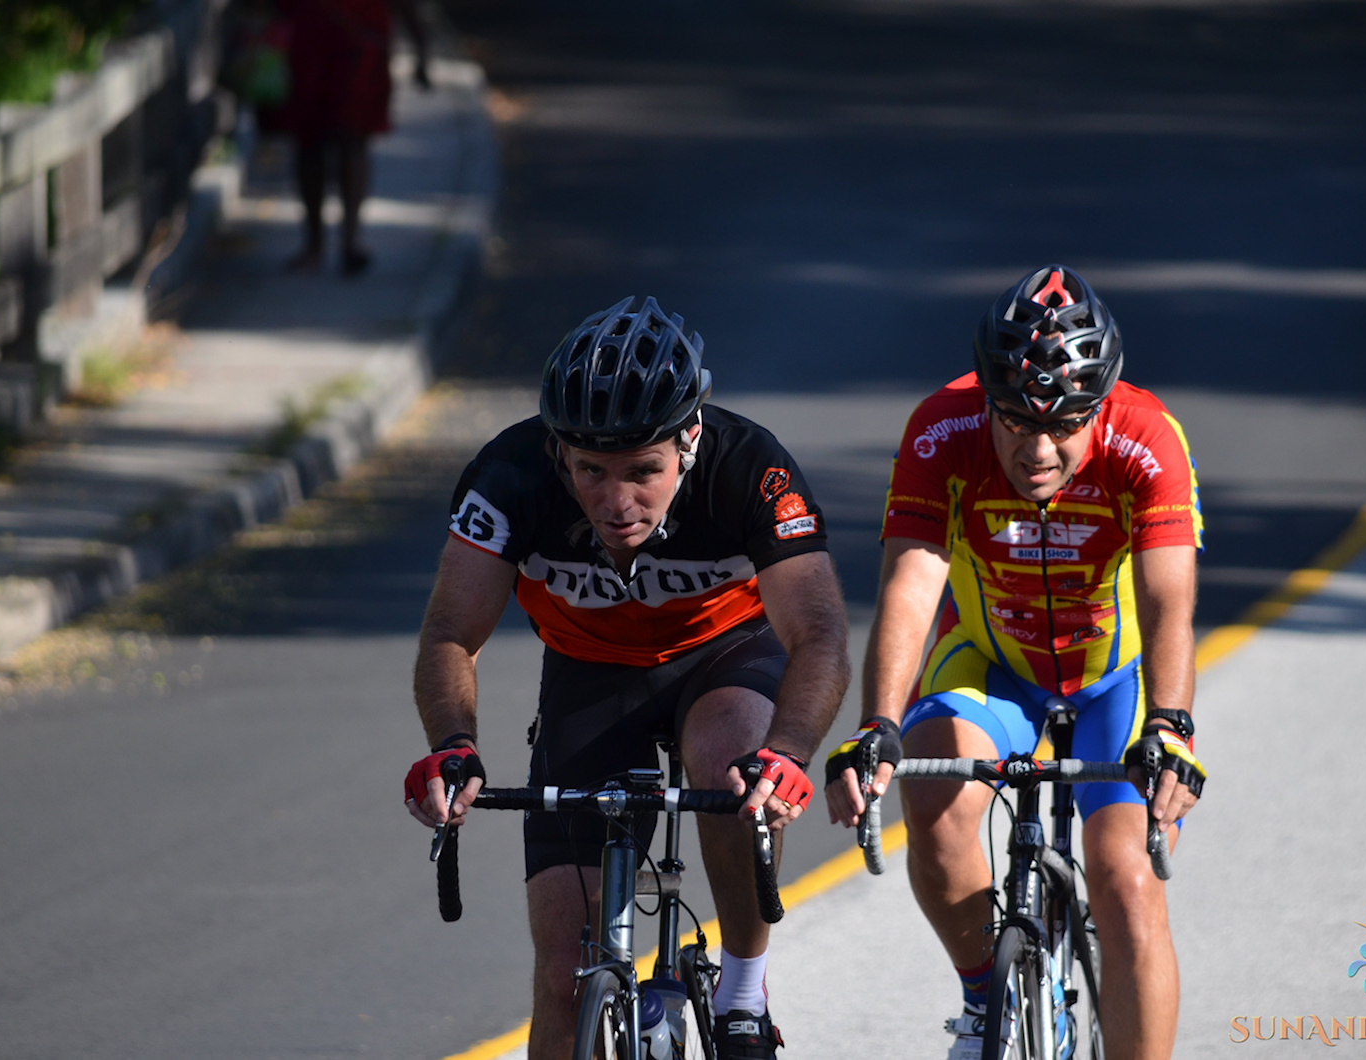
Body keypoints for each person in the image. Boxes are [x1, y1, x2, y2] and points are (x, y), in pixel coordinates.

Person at [405, 296, 849, 1060]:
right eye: (591, 472)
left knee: (730, 763)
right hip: (591, 672)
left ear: (690, 442)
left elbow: (820, 635)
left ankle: (744, 987)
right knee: (561, 978)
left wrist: (788, 753)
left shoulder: (753, 468)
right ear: (557, 454)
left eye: (644, 471)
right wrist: (452, 743)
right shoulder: (508, 477)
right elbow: (450, 633)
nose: (617, 502)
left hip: (724, 657)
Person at [825, 266, 1206, 1060]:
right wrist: (878, 726)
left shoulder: (1148, 436)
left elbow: (1170, 597)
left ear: (1100, 404)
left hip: (1115, 681)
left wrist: (1170, 725)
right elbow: (911, 584)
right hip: (994, 664)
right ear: (986, 402)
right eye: (1013, 421)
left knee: (1127, 886)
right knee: (932, 798)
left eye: (1064, 425)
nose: (1036, 450)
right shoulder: (942, 428)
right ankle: (980, 1002)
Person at [280, 0, 428, 275]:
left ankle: (348, 241)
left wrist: (421, 48)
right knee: (311, 142)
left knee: (352, 139)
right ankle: (316, 243)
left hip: (359, 44)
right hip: (312, 40)